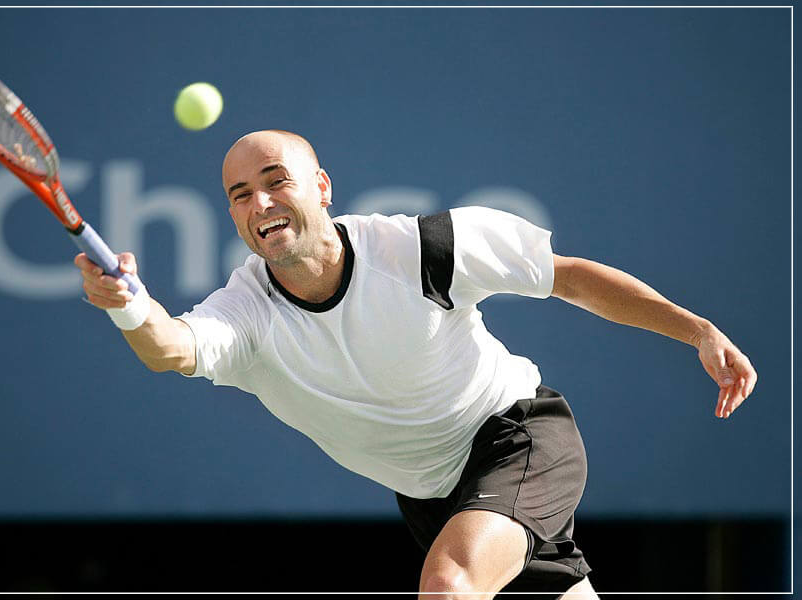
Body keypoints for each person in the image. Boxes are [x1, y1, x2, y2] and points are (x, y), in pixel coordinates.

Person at [74, 129, 757, 599]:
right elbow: (170, 349)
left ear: (321, 186)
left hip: (517, 436)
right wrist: (128, 305)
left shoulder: (421, 249)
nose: (261, 204)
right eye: (240, 194)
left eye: (275, 181)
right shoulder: (246, 312)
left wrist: (694, 331)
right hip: (431, 494)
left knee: (449, 586)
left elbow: (569, 277)